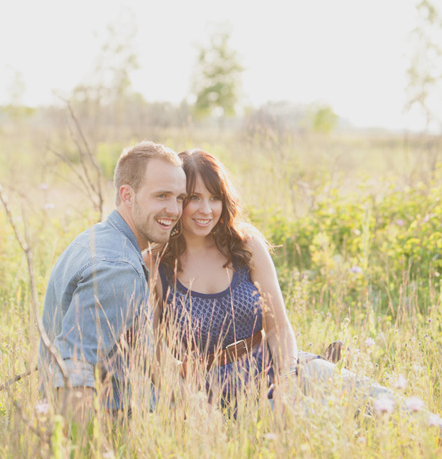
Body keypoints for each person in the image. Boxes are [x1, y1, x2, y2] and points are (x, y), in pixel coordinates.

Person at [144, 148, 391, 408]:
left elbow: (278, 327)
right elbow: (154, 354)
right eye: (195, 197)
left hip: (279, 365)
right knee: (320, 419)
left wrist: (287, 380)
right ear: (178, 199)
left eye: (214, 198)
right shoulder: (156, 265)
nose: (206, 210)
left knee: (378, 399)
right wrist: (193, 405)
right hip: (217, 395)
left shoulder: (244, 244)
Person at [39, 141, 187, 420]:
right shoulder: (118, 267)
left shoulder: (99, 239)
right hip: (111, 428)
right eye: (162, 196)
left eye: (179, 198)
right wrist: (77, 455)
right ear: (127, 195)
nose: (174, 210)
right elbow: (75, 368)